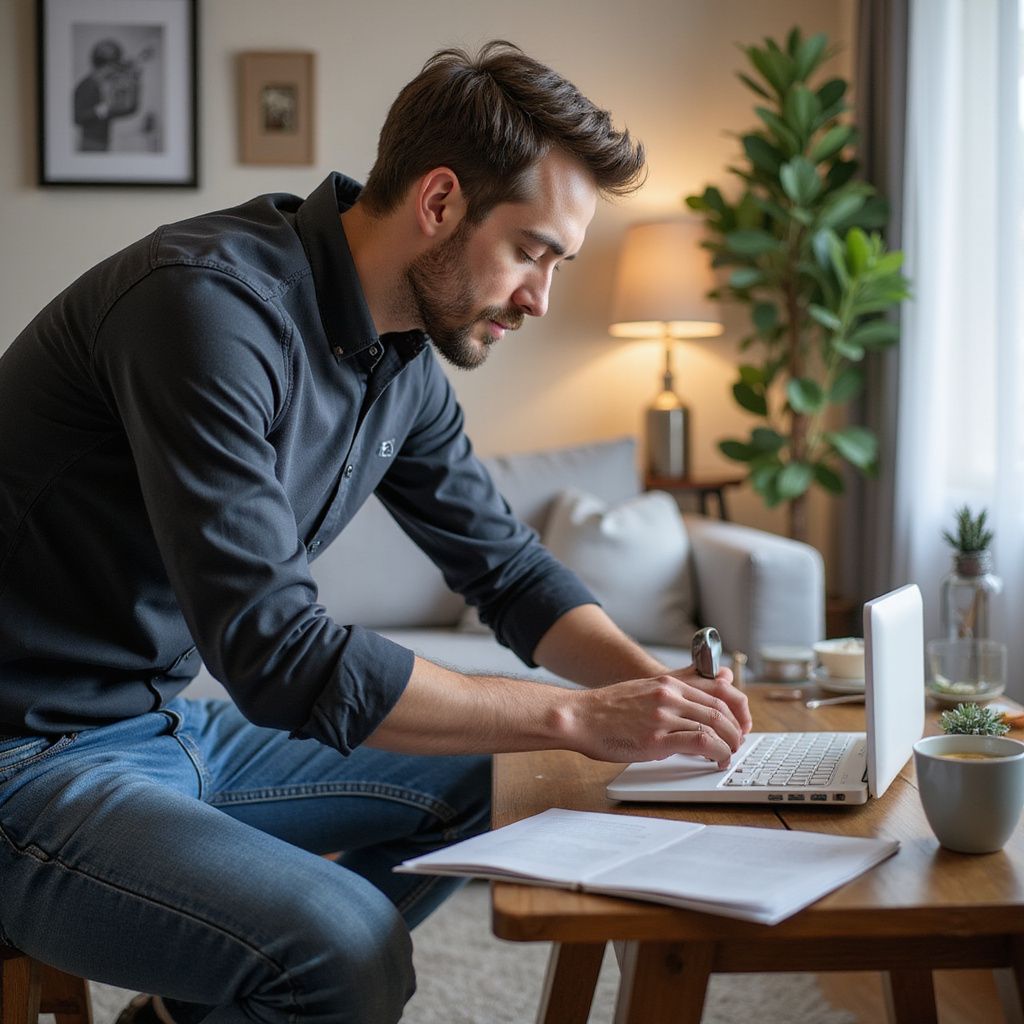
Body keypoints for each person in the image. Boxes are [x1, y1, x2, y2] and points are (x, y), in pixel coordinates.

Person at [0, 41, 750, 1024]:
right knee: (345, 947)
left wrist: (641, 686)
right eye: (531, 252)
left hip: (167, 726)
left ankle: (201, 1010)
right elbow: (277, 655)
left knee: (518, 778)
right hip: (26, 758)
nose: (540, 297)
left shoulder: (401, 363)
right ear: (438, 203)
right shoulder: (202, 308)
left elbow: (510, 571)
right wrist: (571, 714)